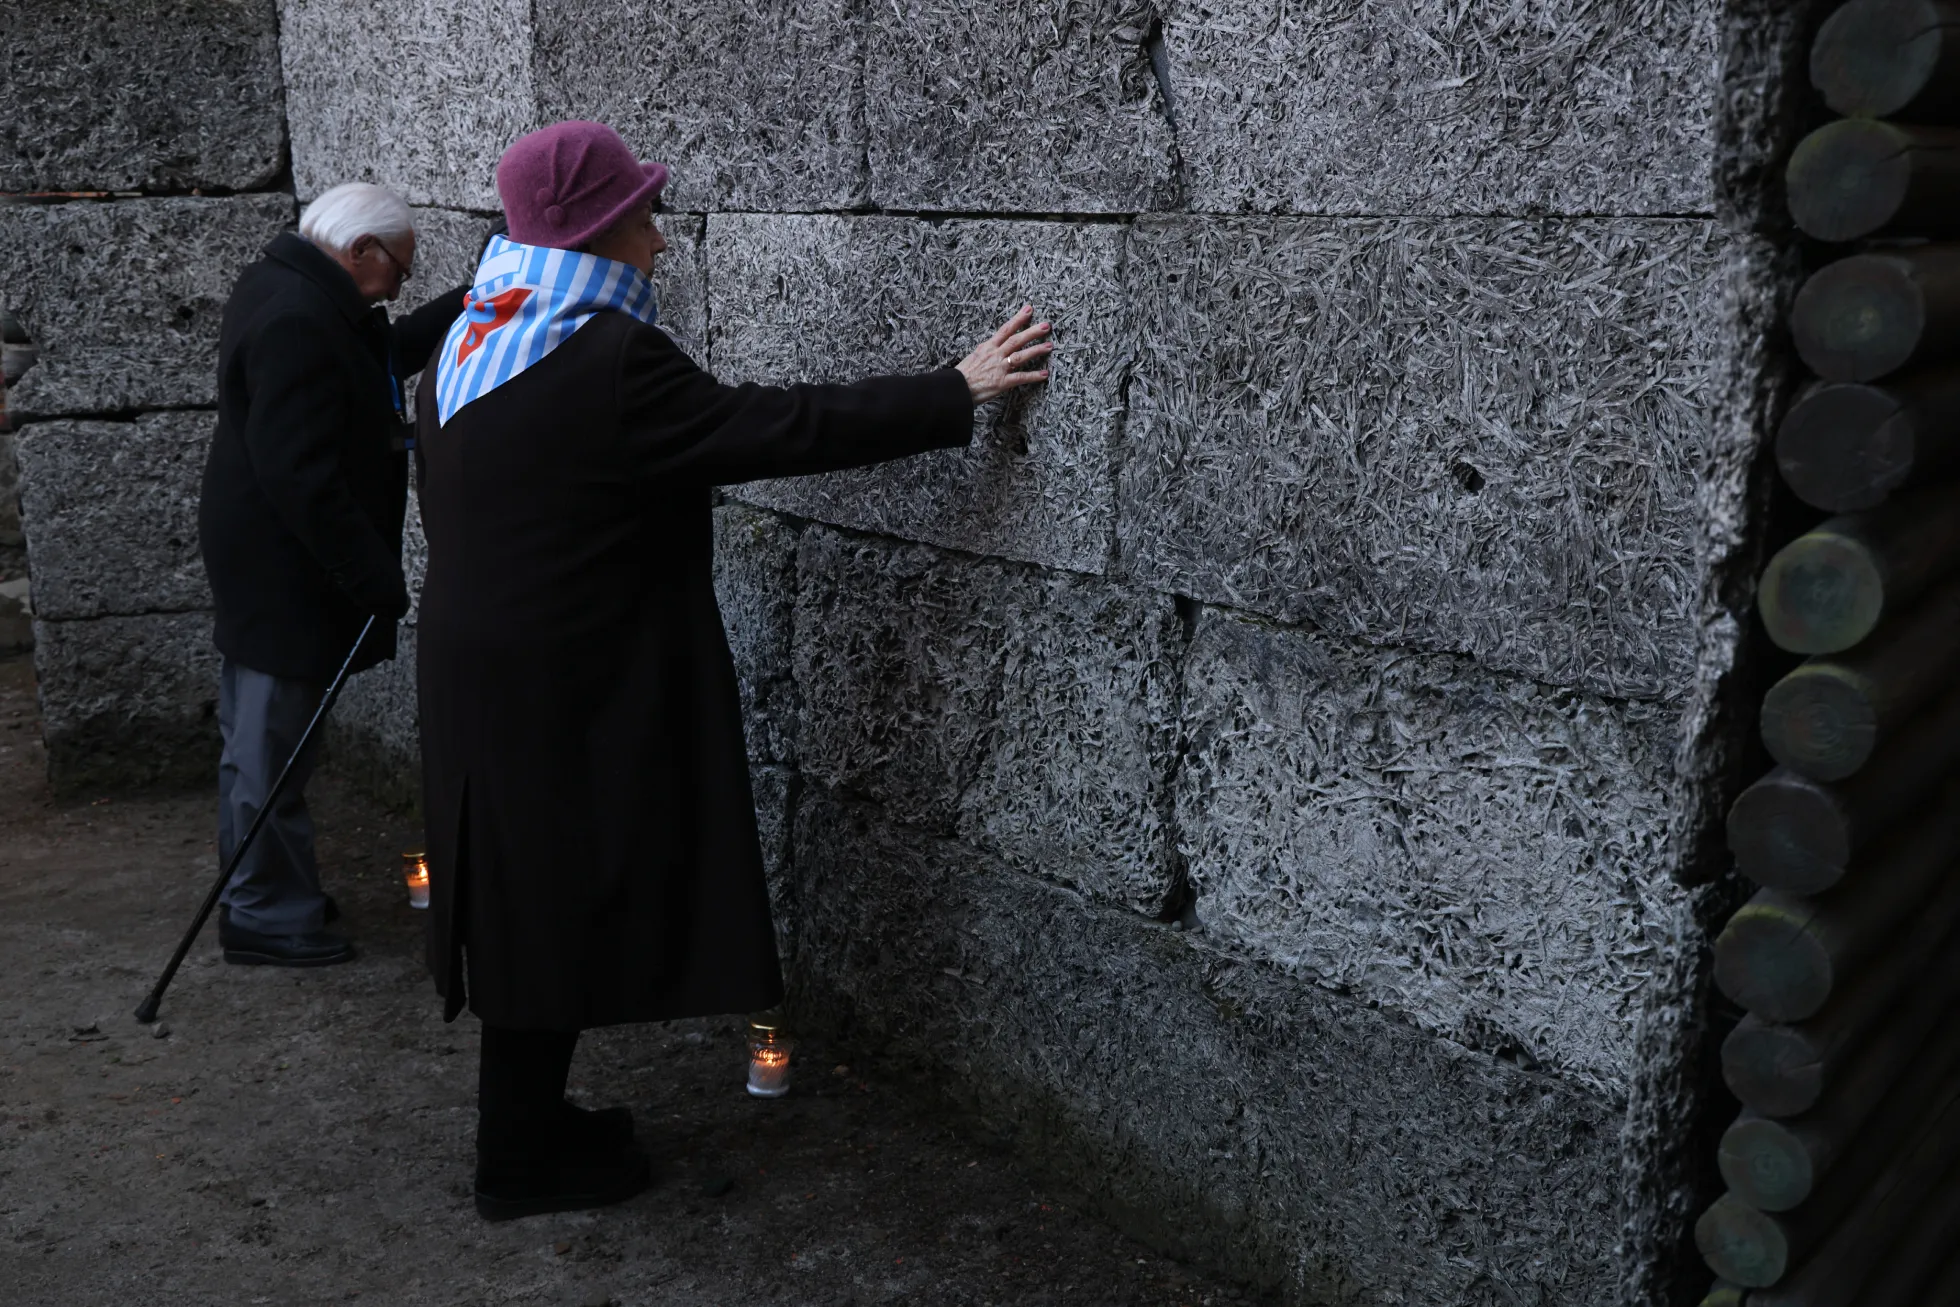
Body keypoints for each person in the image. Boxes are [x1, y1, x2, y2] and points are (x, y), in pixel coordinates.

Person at [416, 121, 1053, 1221]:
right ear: (599, 229)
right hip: (568, 685)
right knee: (548, 905)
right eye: (642, 215)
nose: (658, 239)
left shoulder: (471, 342)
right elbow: (768, 427)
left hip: (483, 676)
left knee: (525, 902)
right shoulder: (605, 356)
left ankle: (529, 1128)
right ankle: (516, 1163)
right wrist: (952, 389)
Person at [198, 183, 467, 967]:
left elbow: (374, 356)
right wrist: (373, 574)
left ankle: (269, 892)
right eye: (400, 271)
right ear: (361, 252)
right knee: (268, 743)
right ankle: (264, 913)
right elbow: (302, 475)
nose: (400, 287)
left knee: (262, 735)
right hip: (286, 569)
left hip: (274, 558)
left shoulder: (292, 288)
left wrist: (472, 298)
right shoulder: (294, 319)